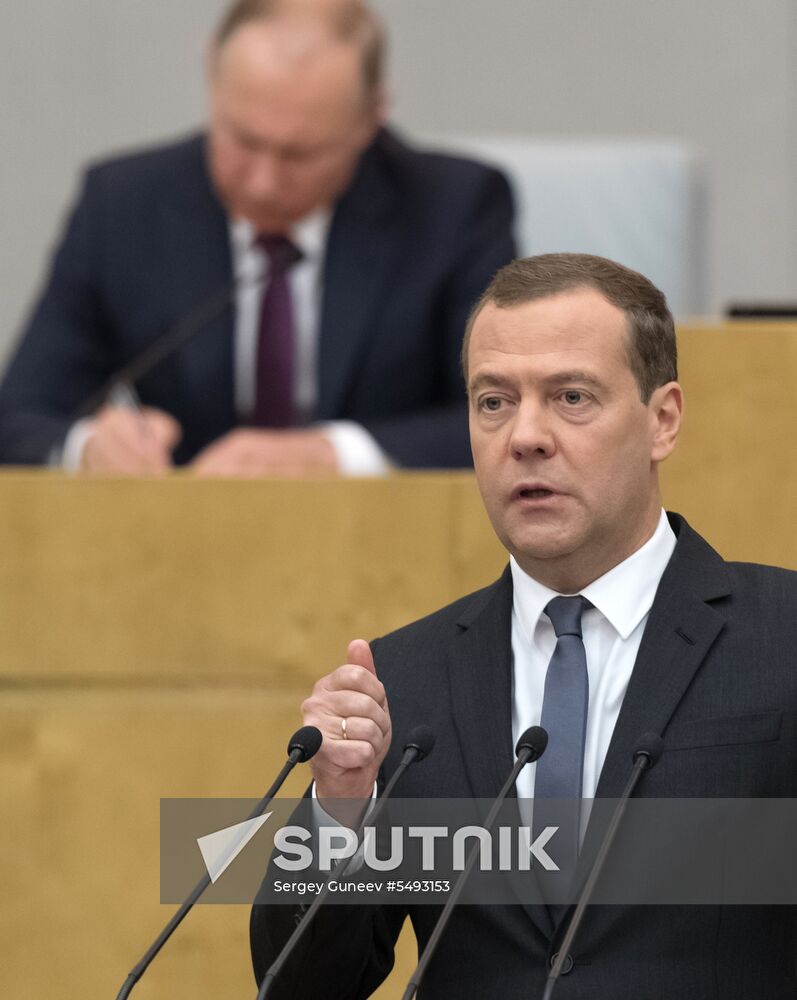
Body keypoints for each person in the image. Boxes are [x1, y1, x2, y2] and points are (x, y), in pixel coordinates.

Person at [250, 253, 797, 998]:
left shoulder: (781, 638)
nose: (524, 437)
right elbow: (302, 987)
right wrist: (337, 813)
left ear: (661, 420)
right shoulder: (403, 680)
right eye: (492, 402)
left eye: (570, 397)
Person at [0, 0, 514, 474]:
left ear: (370, 118)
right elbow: (18, 416)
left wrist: (335, 455)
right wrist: (87, 447)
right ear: (211, 77)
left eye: (300, 155)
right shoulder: (122, 205)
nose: (262, 181)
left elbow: (510, 417)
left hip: (388, 545)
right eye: (242, 139)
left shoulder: (456, 209)